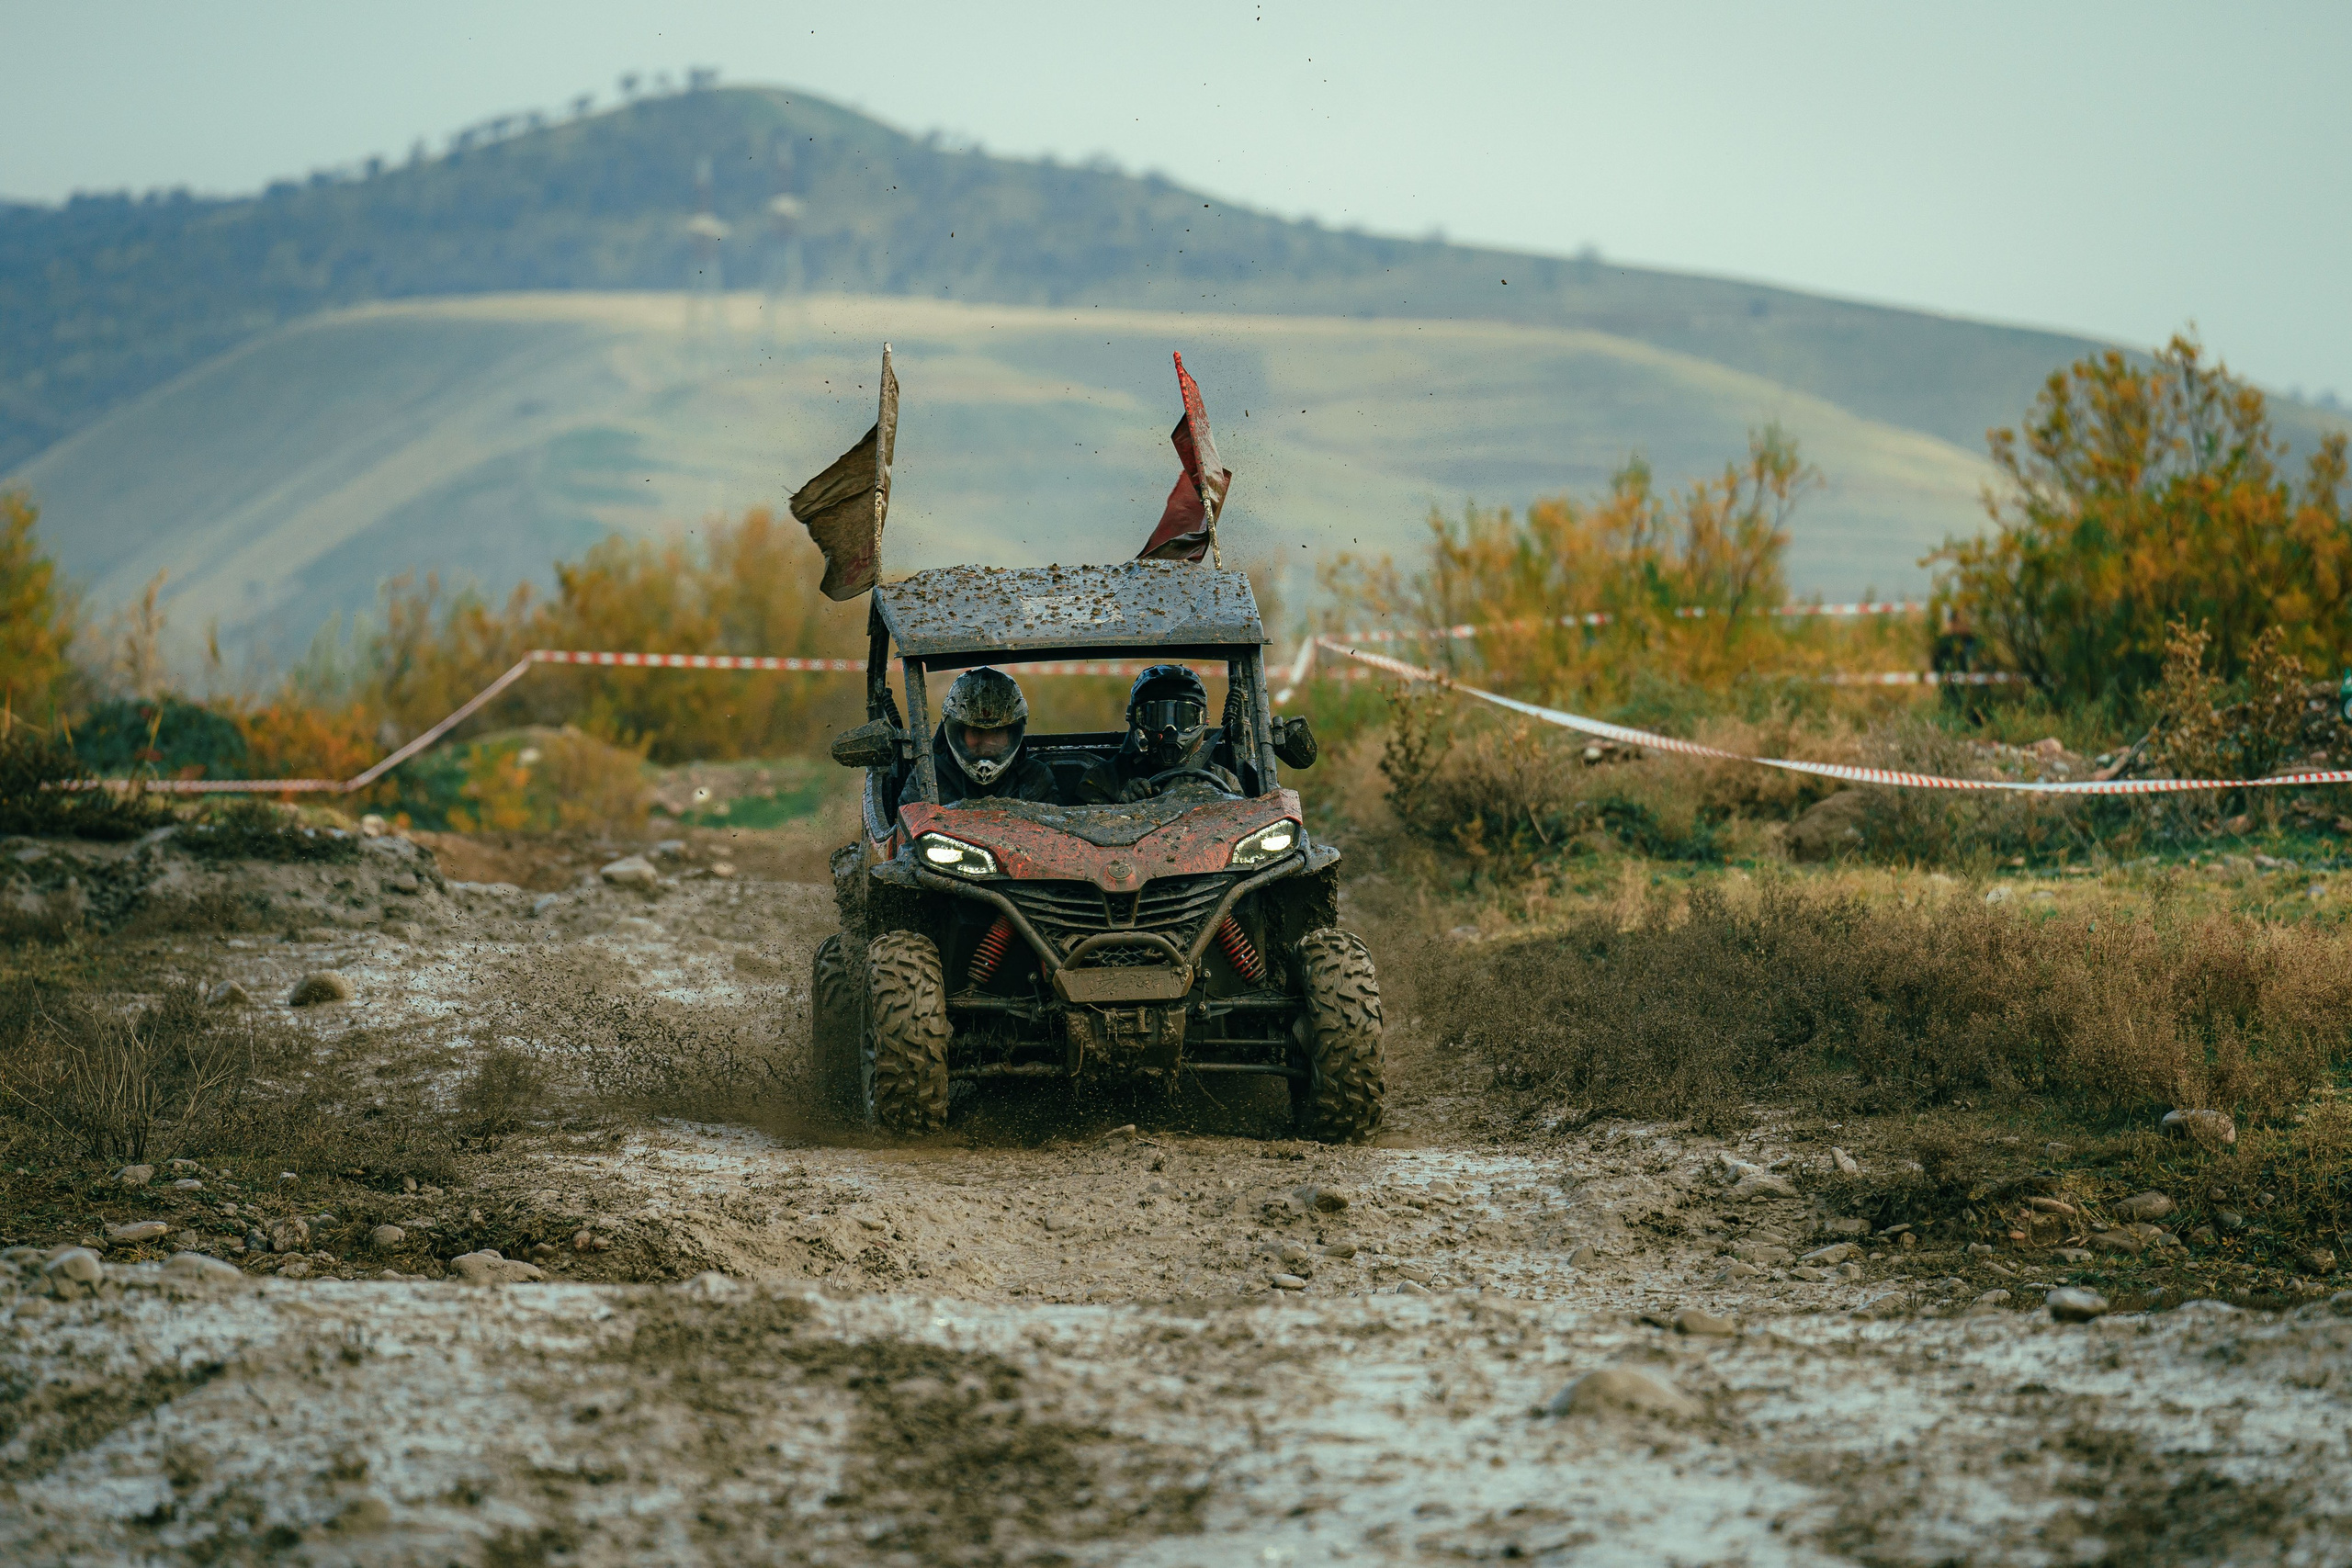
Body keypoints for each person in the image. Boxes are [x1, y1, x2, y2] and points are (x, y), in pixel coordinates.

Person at [1074, 664, 1239, 804]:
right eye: (1157, 718)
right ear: (1135, 719)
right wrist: (1120, 807)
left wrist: (1208, 799)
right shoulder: (1103, 779)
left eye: (1182, 719)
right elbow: (1077, 832)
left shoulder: (1222, 780)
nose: (1170, 731)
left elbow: (1243, 823)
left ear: (1203, 720)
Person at [932, 666, 1058, 806]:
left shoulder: (1035, 778)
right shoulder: (931, 777)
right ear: (959, 734)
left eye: (997, 732)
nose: (988, 742)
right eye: (977, 732)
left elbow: (1058, 825)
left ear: (1011, 735)